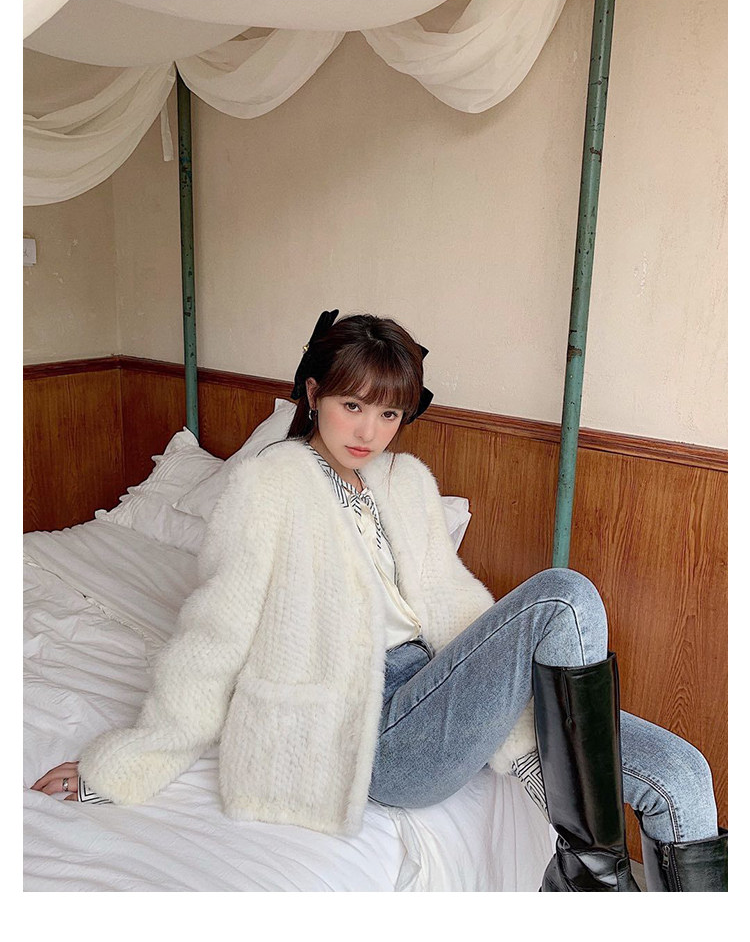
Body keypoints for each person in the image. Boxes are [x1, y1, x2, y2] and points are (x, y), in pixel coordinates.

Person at [32, 310, 727, 892]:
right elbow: (216, 639)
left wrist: (512, 718)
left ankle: (603, 877)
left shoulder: (404, 484)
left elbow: (455, 610)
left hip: (437, 690)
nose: (369, 431)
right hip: (374, 731)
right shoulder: (269, 490)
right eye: (352, 406)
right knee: (565, 598)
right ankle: (590, 882)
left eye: (389, 412)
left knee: (683, 777)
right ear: (313, 395)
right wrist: (121, 767)